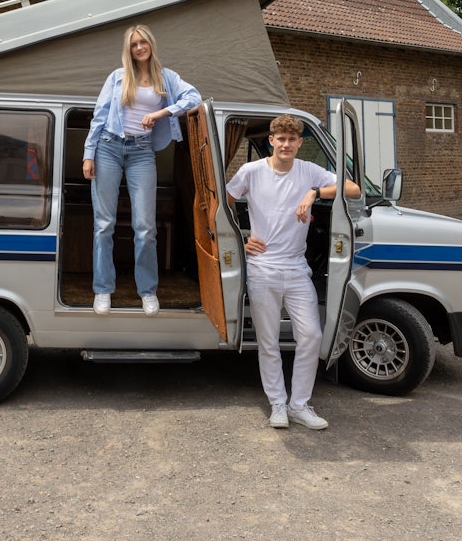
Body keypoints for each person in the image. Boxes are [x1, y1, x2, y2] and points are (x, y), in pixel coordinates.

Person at [226, 114, 360, 430]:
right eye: (280, 138)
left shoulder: (308, 171)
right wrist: (240, 236)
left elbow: (352, 189)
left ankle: (299, 404)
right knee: (269, 341)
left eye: (292, 140)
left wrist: (314, 192)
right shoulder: (251, 172)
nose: (286, 144)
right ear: (271, 140)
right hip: (262, 270)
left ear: (300, 143)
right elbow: (223, 201)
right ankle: (277, 405)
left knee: (311, 336)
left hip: (297, 269)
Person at [83, 24, 201, 316]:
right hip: (109, 147)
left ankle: (147, 291)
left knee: (146, 228)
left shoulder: (167, 77)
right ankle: (103, 290)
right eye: (133, 44)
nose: (139, 48)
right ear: (129, 49)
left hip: (142, 152)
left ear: (151, 44)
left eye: (143, 42)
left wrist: (162, 112)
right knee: (104, 224)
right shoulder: (118, 76)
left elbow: (194, 98)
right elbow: (99, 117)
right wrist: (88, 154)